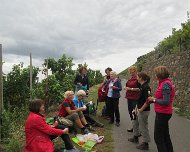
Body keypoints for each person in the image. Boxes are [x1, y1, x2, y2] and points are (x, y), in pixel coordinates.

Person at [139, 66, 175, 152]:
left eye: (156, 73)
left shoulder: (165, 84)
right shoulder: (164, 83)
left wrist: (154, 99)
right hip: (164, 113)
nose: (155, 75)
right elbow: (163, 98)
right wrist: (154, 99)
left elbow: (166, 101)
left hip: (163, 113)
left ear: (160, 74)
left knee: (158, 137)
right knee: (165, 136)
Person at [128, 72, 151, 150]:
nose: (136, 78)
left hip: (143, 110)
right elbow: (140, 99)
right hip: (138, 108)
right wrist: (136, 108)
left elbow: (148, 100)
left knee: (143, 127)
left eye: (137, 77)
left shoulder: (146, 87)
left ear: (141, 78)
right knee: (135, 122)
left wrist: (141, 109)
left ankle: (145, 143)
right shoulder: (141, 86)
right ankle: (135, 137)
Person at [124, 66, 140, 132]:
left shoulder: (138, 78)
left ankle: (138, 129)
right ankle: (134, 127)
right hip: (129, 97)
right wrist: (126, 88)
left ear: (136, 71)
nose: (131, 73)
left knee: (135, 113)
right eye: (130, 72)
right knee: (130, 112)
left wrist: (130, 89)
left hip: (135, 98)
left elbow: (140, 89)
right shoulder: (130, 78)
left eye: (132, 72)